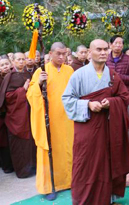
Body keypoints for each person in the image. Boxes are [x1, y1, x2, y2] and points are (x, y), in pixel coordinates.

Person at [63, 39, 129, 204]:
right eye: (99, 49)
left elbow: (124, 96)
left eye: (105, 49)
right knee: (86, 163)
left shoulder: (112, 74)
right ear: (90, 52)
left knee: (107, 161)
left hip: (108, 127)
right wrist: (87, 104)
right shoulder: (79, 74)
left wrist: (111, 102)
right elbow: (67, 99)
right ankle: (85, 199)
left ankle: (107, 198)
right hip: (87, 127)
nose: (103, 52)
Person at [27, 42, 74, 198]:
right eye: (58, 54)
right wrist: (39, 82)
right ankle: (50, 187)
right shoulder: (42, 70)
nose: (61, 57)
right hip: (49, 119)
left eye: (64, 54)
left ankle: (69, 181)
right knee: (50, 150)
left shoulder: (69, 70)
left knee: (68, 149)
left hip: (67, 119)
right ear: (51, 54)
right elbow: (31, 95)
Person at [106, 35, 129, 162]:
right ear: (110, 45)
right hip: (108, 98)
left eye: (121, 43)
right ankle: (112, 154)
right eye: (116, 43)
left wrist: (118, 77)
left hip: (126, 97)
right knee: (110, 126)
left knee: (128, 126)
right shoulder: (105, 59)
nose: (118, 45)